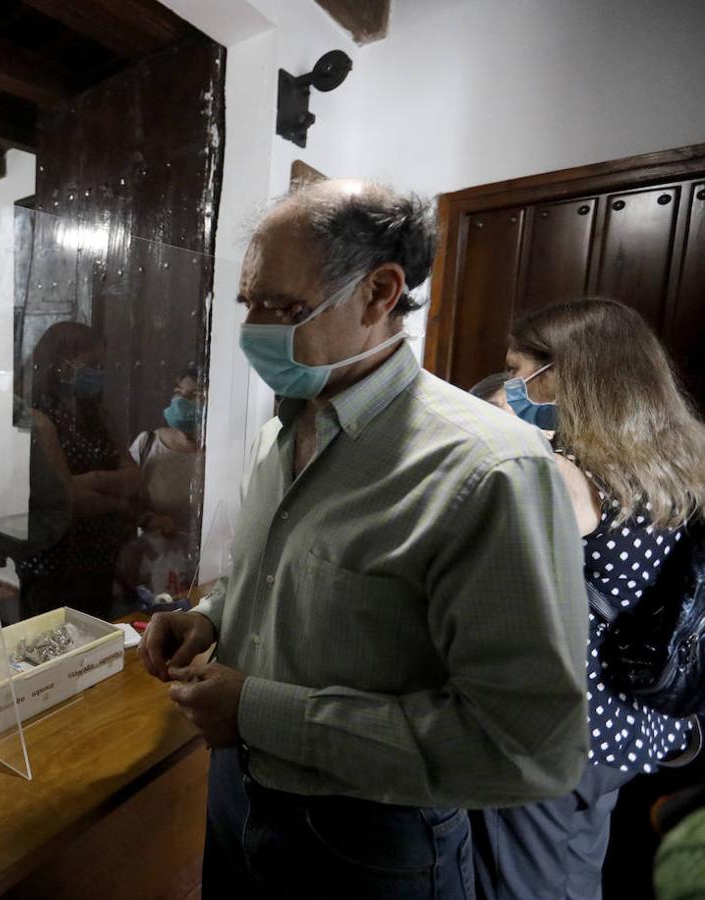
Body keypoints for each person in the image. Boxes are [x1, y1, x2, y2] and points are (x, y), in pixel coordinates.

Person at [140, 180, 590, 899]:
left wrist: (257, 709)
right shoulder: (275, 437)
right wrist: (210, 619)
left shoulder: (486, 470)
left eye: (280, 307)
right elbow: (272, 579)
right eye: (247, 303)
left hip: (369, 839)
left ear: (380, 294)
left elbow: (528, 747)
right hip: (237, 794)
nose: (253, 327)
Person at [468, 297, 705, 900]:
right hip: (632, 719)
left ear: (564, 374)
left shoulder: (568, 476)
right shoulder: (676, 461)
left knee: (521, 886)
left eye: (520, 371)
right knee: (576, 872)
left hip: (560, 725)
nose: (515, 385)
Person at [17, 321, 139, 621]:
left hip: (99, 553)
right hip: (53, 559)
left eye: (101, 365)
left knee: (96, 647)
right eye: (91, 364)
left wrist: (89, 482)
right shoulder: (37, 419)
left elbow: (135, 478)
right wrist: (117, 498)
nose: (98, 373)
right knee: (49, 650)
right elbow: (66, 501)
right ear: (59, 365)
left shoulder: (97, 415)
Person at [118, 368, 206, 600]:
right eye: (178, 393)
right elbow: (123, 501)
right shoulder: (148, 444)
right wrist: (149, 519)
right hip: (151, 571)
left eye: (195, 395)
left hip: (205, 572)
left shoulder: (223, 454)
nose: (181, 402)